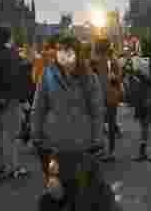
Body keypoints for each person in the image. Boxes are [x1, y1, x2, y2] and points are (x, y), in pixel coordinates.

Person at [32, 40, 104, 174]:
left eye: (68, 51)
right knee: (56, 190)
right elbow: (39, 107)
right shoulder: (48, 75)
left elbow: (97, 111)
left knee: (80, 189)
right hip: (54, 144)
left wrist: (97, 139)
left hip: (82, 144)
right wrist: (36, 134)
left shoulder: (89, 77)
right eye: (60, 51)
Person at [0, 27, 30, 179]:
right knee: (11, 135)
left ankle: (0, 166)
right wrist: (23, 100)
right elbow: (17, 79)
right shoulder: (11, 55)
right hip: (10, 98)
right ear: (8, 38)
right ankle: (13, 167)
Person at [123, 41, 151, 162]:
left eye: (140, 48)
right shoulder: (142, 61)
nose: (138, 50)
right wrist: (133, 72)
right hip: (143, 95)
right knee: (144, 126)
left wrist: (140, 74)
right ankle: (143, 152)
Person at [91, 39, 123, 161]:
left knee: (100, 124)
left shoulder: (95, 62)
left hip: (99, 96)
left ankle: (102, 150)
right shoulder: (112, 61)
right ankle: (110, 151)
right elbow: (118, 78)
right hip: (111, 96)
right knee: (110, 124)